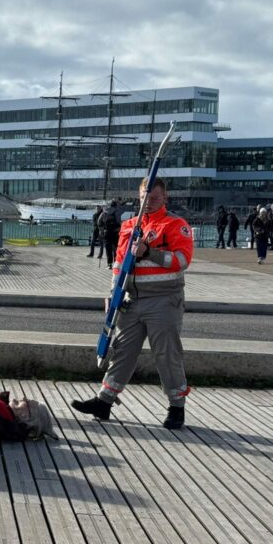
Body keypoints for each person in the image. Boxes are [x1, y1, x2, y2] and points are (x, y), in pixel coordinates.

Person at [71, 177, 194, 429]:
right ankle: (104, 401)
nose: (148, 203)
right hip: (130, 299)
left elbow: (182, 261)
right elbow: (118, 264)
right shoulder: (129, 225)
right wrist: (113, 295)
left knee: (167, 353)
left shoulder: (175, 224)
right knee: (122, 350)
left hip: (163, 300)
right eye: (144, 198)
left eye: (154, 198)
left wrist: (149, 252)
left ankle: (176, 407)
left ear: (165, 198)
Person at [100, 200, 122, 267]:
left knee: (108, 249)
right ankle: (116, 262)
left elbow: (99, 222)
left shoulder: (104, 212)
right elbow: (119, 222)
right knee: (116, 248)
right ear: (115, 206)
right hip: (115, 232)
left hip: (107, 232)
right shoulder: (117, 212)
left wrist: (102, 230)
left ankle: (109, 264)